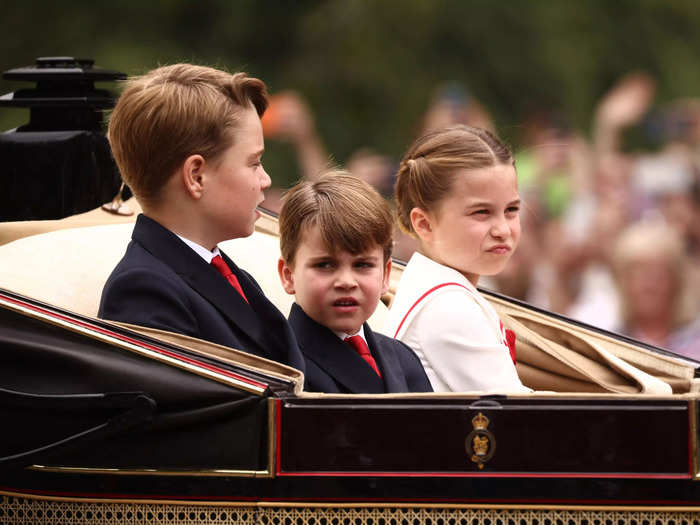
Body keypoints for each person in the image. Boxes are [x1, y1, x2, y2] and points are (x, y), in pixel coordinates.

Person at [98, 63, 304, 371]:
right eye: (254, 163)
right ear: (196, 176)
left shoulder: (224, 272)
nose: (266, 179)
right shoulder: (144, 292)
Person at [384, 125, 530, 393]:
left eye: (511, 210)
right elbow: (522, 416)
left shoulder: (437, 290)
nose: (502, 230)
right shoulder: (447, 307)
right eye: (481, 212)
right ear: (424, 224)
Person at [277, 171, 432, 393]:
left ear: (385, 276)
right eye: (325, 265)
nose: (347, 282)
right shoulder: (282, 365)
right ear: (288, 275)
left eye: (362, 265)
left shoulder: (402, 358)